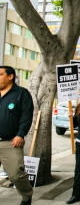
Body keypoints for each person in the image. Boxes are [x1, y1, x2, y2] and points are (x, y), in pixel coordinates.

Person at [0, 66, 33, 205]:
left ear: (10, 76)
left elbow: (26, 116)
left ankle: (26, 196)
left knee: (16, 175)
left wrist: (20, 135)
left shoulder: (21, 93)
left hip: (10, 142)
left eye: (0, 74)